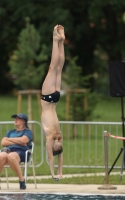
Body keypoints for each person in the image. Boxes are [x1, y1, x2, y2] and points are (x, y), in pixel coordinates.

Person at [41, 25, 65, 181]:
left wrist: (56, 173)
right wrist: (57, 172)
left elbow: (55, 158)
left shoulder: (55, 137)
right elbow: (56, 159)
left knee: (56, 68)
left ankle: (59, 41)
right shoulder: (55, 137)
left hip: (53, 98)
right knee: (55, 68)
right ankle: (58, 41)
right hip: (50, 99)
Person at [0, 113, 33, 189]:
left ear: (24, 121)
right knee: (2, 155)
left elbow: (24, 140)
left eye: (18, 119)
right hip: (8, 150)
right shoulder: (10, 132)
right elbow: (3, 142)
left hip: (22, 151)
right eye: (15, 118)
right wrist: (19, 141)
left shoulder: (28, 132)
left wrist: (9, 139)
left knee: (11, 156)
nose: (15, 120)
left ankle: (21, 179)